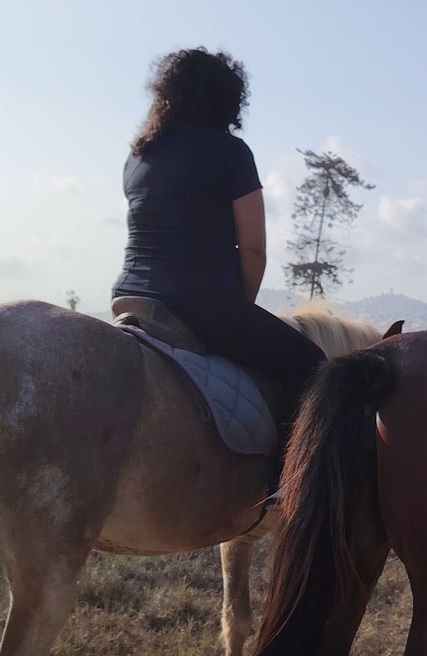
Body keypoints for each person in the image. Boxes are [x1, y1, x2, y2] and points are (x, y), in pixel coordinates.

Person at [112, 48, 325, 425]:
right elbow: (255, 250)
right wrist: (240, 312)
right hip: (200, 304)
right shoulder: (231, 151)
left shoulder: (138, 157)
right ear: (227, 98)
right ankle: (287, 482)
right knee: (312, 366)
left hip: (130, 297)